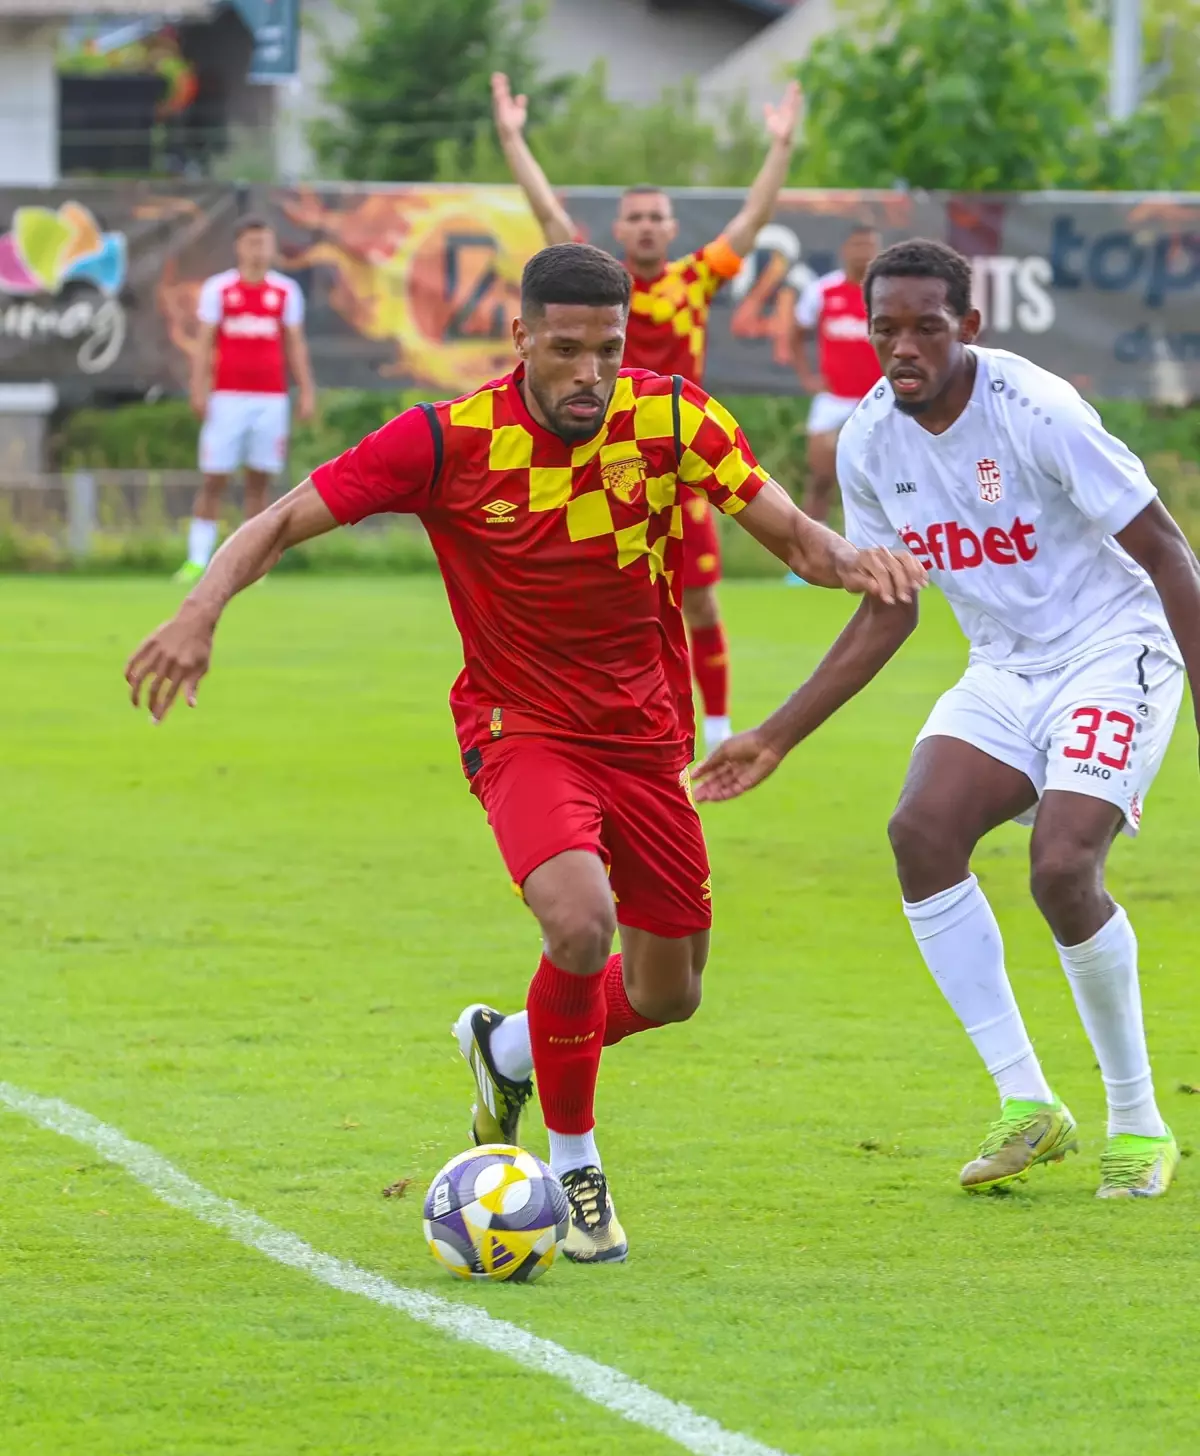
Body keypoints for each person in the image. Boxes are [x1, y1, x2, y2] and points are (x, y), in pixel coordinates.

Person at [127, 243, 923, 1261]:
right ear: (521, 339)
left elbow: (805, 543)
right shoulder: (447, 441)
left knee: (670, 991)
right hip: (522, 729)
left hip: (647, 740)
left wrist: (864, 562)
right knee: (581, 924)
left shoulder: (673, 417)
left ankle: (506, 1047)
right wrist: (199, 611)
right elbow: (280, 522)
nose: (591, 373)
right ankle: (574, 1166)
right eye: (566, 350)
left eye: (609, 350)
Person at [695, 237, 1200, 1201]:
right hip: (1005, 666)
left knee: (1061, 867)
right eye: (885, 329)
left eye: (927, 327)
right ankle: (1028, 1102)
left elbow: (1172, 556)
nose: (904, 347)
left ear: (967, 325)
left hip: (1114, 649)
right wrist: (775, 735)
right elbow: (889, 609)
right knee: (920, 833)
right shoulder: (869, 441)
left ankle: (1138, 1121)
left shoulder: (1038, 410)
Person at [492, 71, 801, 755]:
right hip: (602, 456)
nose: (647, 226)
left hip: (680, 461)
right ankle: (589, 719)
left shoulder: (696, 278)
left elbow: (752, 221)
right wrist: (513, 139)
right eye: (635, 217)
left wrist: (781, 145)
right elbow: (549, 221)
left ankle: (715, 728)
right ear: (619, 228)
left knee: (699, 599)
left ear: (671, 227)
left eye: (657, 216)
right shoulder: (601, 291)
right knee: (600, 599)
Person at [178, 215, 316, 583]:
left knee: (259, 482)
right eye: (252, 242)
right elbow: (205, 344)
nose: (258, 250)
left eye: (264, 242)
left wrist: (306, 391)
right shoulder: (219, 289)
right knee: (214, 479)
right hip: (227, 399)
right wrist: (198, 388)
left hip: (271, 400)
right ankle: (197, 561)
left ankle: (251, 564)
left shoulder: (285, 291)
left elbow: (295, 344)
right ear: (239, 247)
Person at [790, 224, 882, 524]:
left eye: (869, 246)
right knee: (820, 477)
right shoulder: (822, 290)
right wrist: (807, 377)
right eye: (857, 245)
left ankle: (888, 545)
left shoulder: (886, 293)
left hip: (879, 400)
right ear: (845, 250)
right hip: (834, 399)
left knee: (887, 481)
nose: (863, 253)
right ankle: (811, 544)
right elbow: (796, 333)